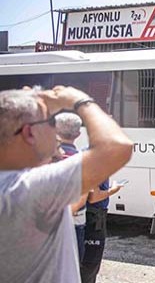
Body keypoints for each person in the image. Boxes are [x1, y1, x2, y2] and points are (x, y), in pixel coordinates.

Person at [0, 86, 133, 282]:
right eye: (51, 121)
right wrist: (79, 101)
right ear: (30, 133)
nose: (57, 132)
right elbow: (117, 147)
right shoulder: (26, 189)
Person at [55, 112, 89, 263]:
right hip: (74, 223)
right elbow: (83, 197)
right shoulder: (82, 160)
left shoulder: (41, 157)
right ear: (78, 133)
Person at [80, 171, 124, 282]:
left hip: (87, 216)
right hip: (93, 217)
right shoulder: (95, 161)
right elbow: (93, 197)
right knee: (89, 267)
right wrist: (114, 189)